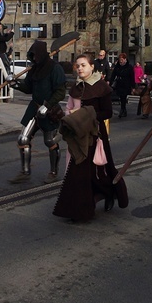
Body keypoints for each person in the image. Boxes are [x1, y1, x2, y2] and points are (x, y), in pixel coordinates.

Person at [53, 54, 128, 221]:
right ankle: (79, 210)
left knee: (97, 173)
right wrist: (70, 117)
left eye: (83, 65)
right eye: (77, 65)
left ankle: (107, 194)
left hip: (95, 135)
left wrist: (86, 115)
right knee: (78, 174)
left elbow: (107, 112)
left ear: (92, 67)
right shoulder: (75, 88)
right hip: (77, 135)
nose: (80, 68)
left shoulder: (100, 87)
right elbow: (69, 108)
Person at [8, 40, 67, 184]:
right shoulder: (34, 69)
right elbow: (28, 88)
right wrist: (15, 84)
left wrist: (47, 105)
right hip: (34, 107)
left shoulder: (55, 68)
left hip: (50, 109)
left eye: (36, 55)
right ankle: (25, 172)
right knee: (23, 139)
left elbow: (60, 91)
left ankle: (53, 172)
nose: (34, 58)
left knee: (50, 141)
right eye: (32, 56)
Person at [108, 53, 135, 118]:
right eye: (120, 59)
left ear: (125, 59)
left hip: (126, 84)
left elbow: (132, 77)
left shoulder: (129, 67)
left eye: (122, 59)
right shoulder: (117, 66)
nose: (121, 61)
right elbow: (113, 75)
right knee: (121, 97)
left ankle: (123, 110)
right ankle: (123, 109)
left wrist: (133, 86)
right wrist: (110, 82)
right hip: (119, 84)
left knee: (124, 97)